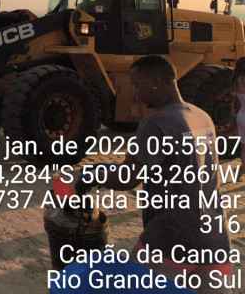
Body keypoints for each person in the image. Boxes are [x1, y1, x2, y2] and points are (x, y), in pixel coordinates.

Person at [77, 56, 233, 293]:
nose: (136, 95)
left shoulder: (157, 123)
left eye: (138, 85)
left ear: (158, 82)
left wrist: (89, 174)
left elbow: (126, 177)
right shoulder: (202, 117)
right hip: (215, 240)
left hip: (169, 240)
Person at [233, 58, 245, 169]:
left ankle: (244, 165)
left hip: (241, 115)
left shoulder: (237, 81)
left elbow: (236, 103)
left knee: (243, 145)